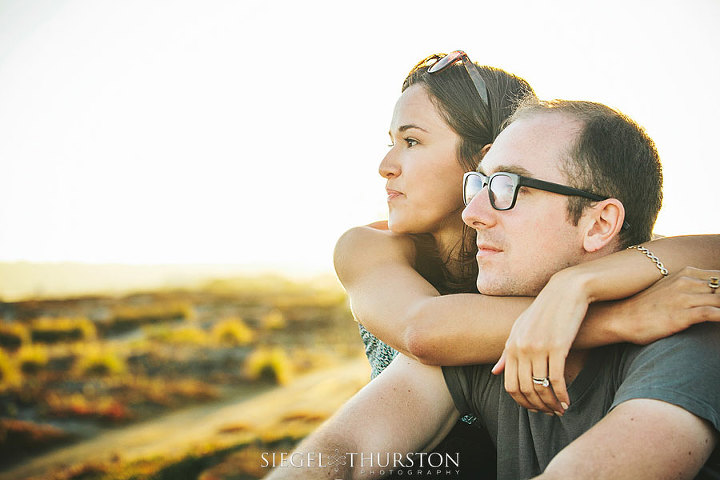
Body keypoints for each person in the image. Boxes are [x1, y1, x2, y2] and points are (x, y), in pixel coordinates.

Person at [267, 98, 720, 479]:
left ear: (600, 224)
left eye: (509, 186)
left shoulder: (691, 332)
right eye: (479, 184)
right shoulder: (483, 334)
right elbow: (343, 451)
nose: (473, 213)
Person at [339, 51, 720, 418]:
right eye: (391, 142)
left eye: (412, 142)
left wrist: (574, 286)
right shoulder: (368, 246)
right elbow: (421, 329)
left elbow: (706, 250)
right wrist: (618, 316)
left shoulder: (536, 248)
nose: (386, 166)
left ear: (483, 158)